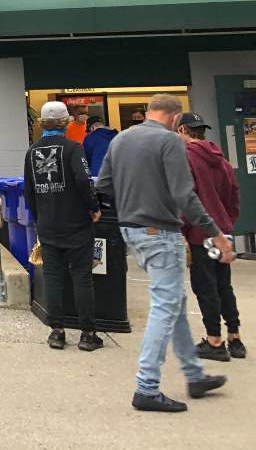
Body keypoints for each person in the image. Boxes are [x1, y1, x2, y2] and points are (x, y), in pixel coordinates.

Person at [96, 94, 233, 412]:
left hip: (132, 230)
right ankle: (146, 386)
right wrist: (216, 234)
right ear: (176, 119)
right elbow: (184, 194)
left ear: (147, 113)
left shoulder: (121, 140)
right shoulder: (171, 142)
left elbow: (103, 184)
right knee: (165, 306)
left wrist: (133, 201)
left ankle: (194, 374)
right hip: (160, 231)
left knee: (174, 303)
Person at [22, 101, 103, 352]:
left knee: (53, 276)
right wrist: (94, 206)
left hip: (48, 224)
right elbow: (83, 180)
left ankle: (57, 331)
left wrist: (39, 218)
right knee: (82, 277)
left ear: (41, 124)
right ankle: (88, 333)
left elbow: (29, 191)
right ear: (67, 123)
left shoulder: (32, 152)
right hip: (76, 223)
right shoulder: (73, 149)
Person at [175, 112, 244, 361]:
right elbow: (234, 194)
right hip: (222, 231)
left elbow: (184, 198)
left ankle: (214, 340)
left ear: (182, 130)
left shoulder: (185, 159)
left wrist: (182, 230)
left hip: (198, 232)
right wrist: (228, 224)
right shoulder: (221, 159)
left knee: (205, 287)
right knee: (224, 284)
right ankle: (235, 337)